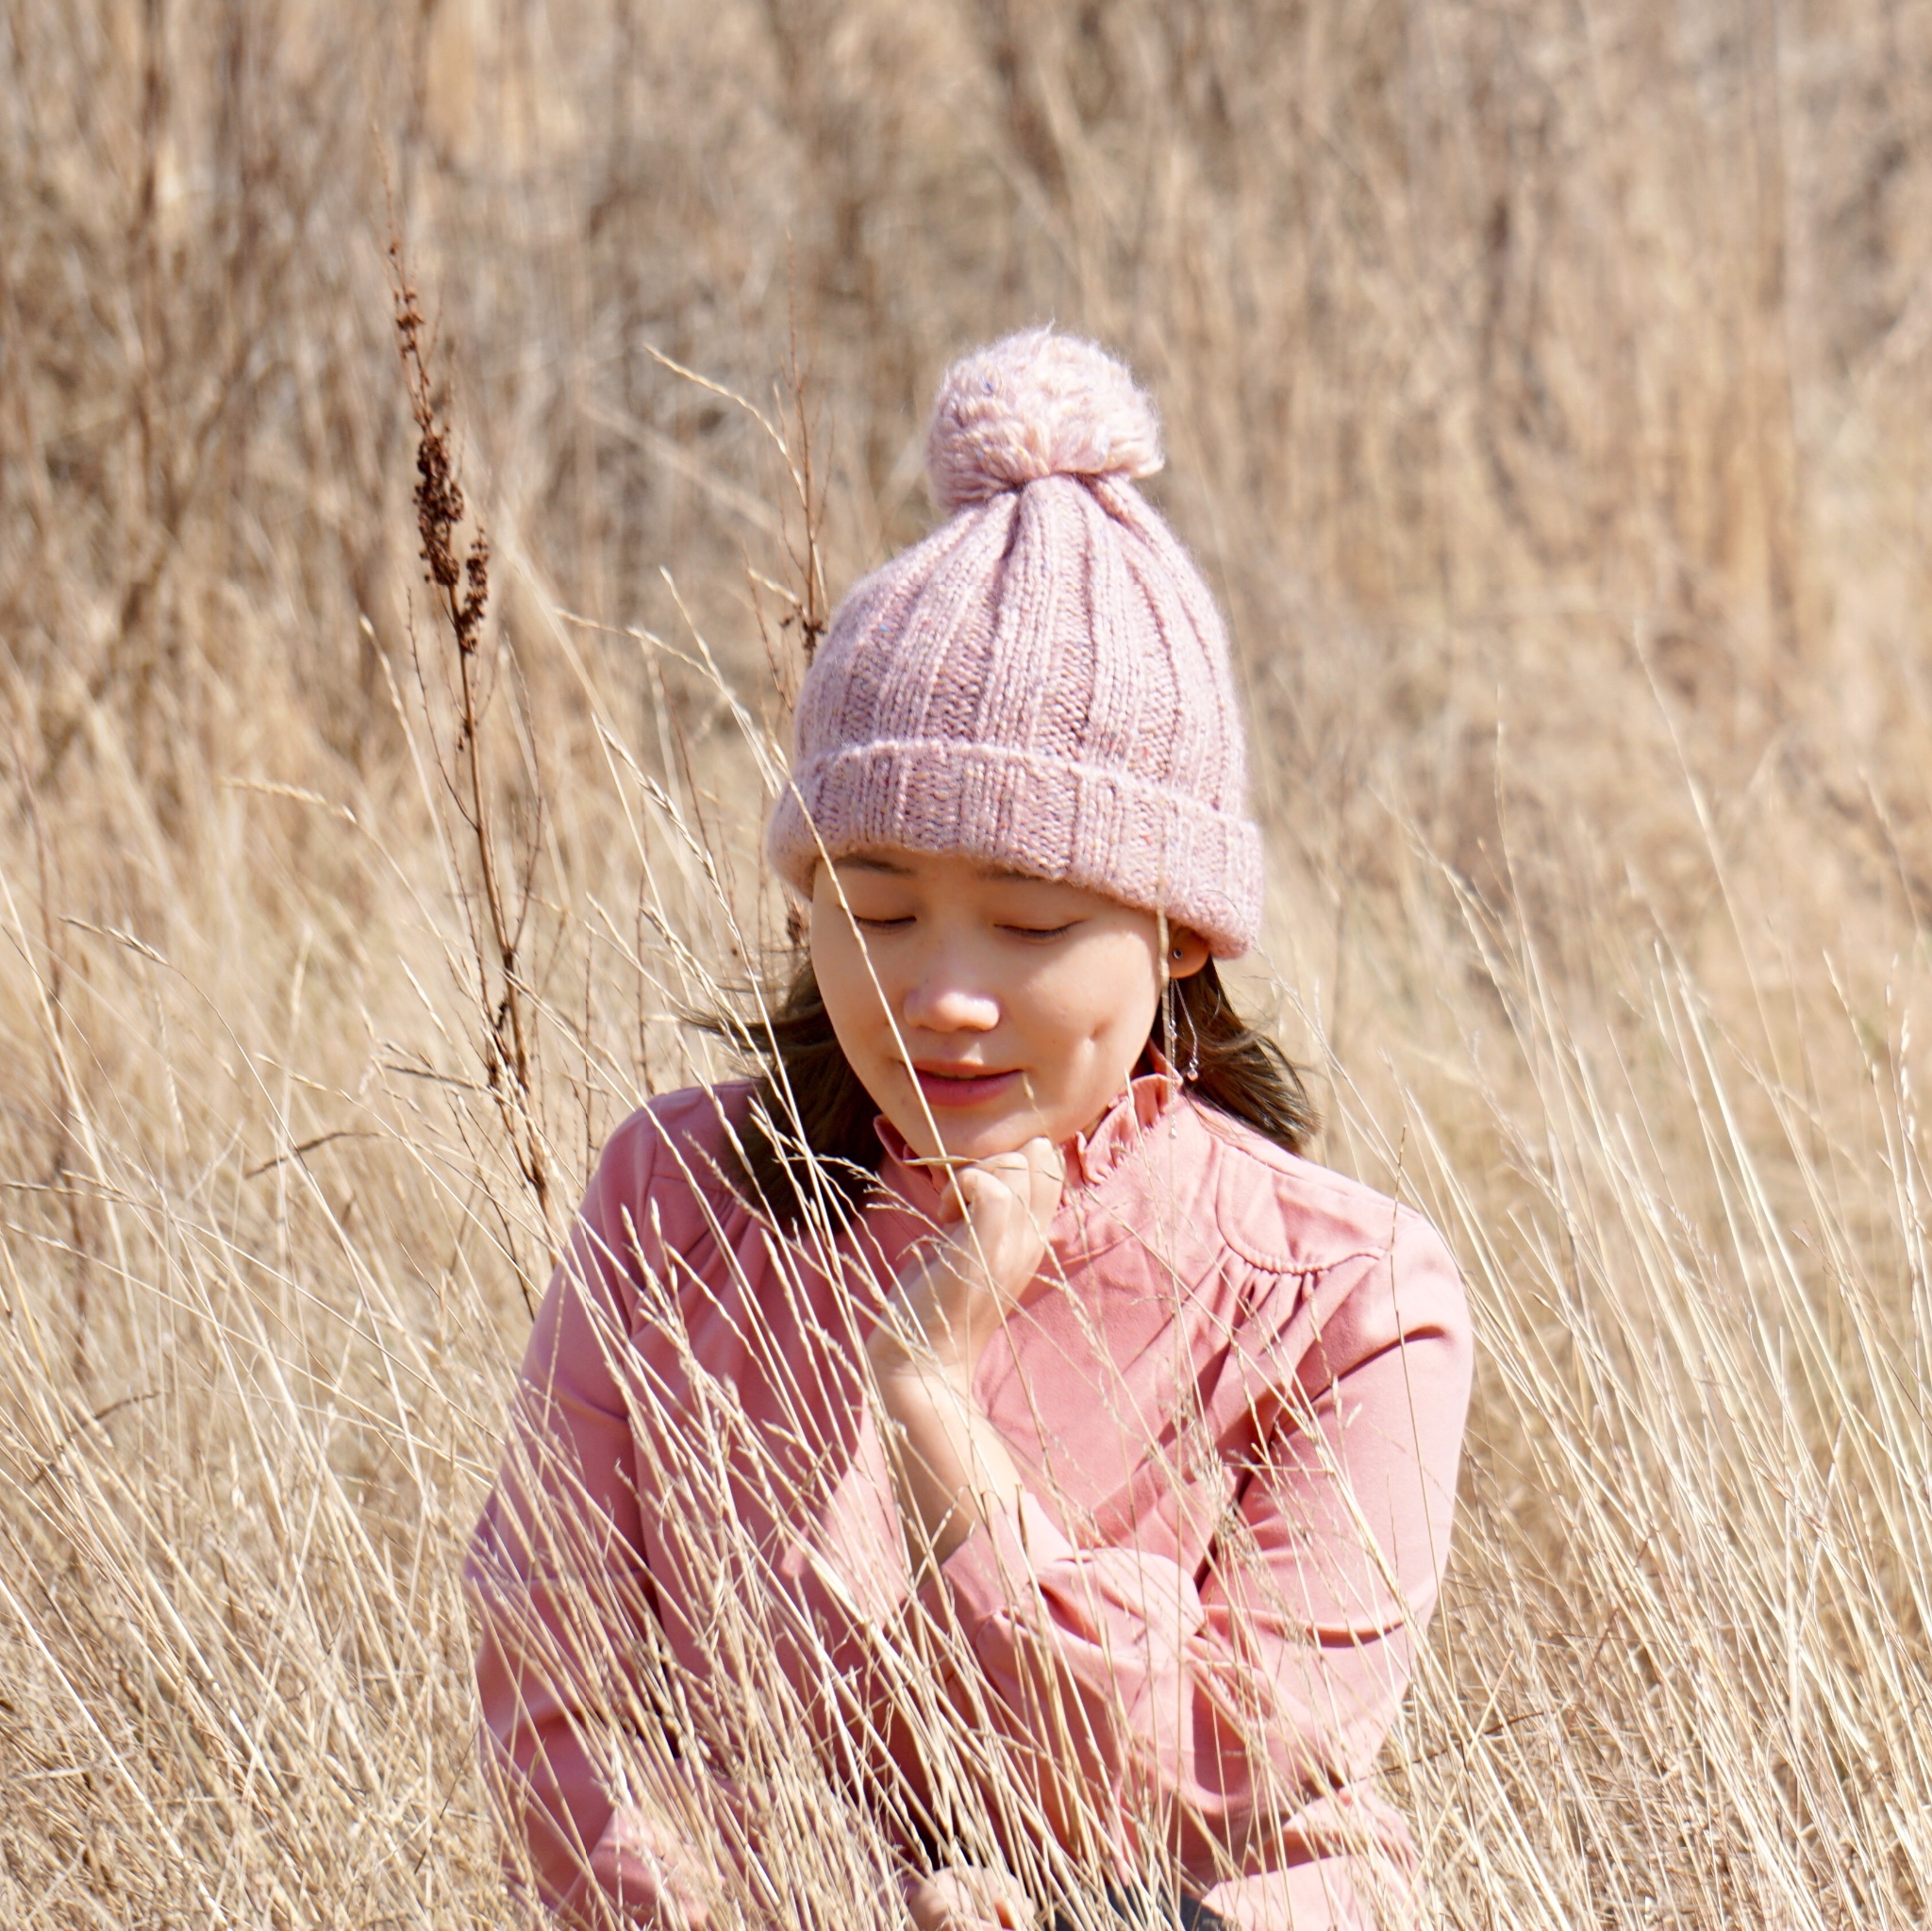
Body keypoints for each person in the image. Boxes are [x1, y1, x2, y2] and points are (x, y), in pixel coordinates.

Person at [465, 329, 1473, 1931]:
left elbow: (1226, 1761)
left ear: (1183, 930)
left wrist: (934, 1402)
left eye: (1026, 922)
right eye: (874, 909)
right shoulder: (674, 1199)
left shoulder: (1348, 1298)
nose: (939, 994)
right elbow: (555, 1683)